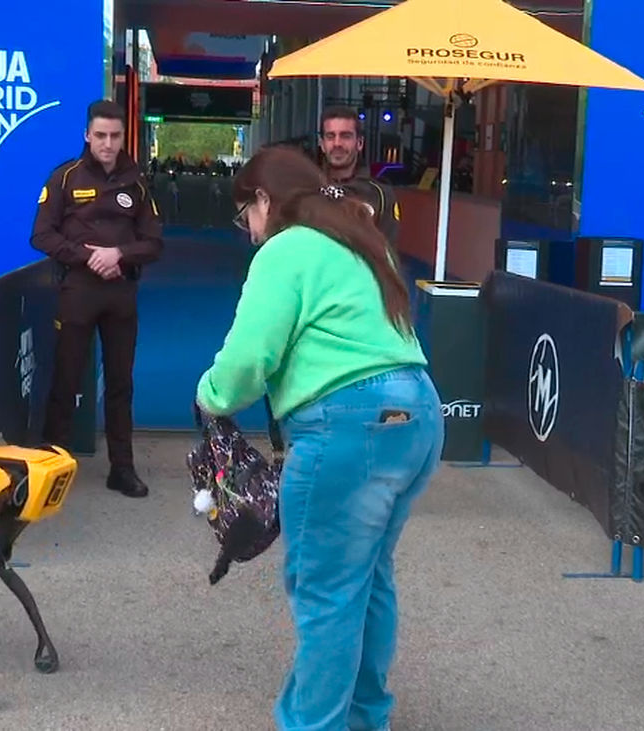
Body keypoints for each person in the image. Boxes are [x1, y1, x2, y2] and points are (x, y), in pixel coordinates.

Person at [194, 145, 444, 731]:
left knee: (326, 589)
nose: (248, 231)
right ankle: (363, 717)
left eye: (245, 214)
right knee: (369, 577)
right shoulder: (362, 238)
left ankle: (314, 724)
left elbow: (247, 361)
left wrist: (209, 395)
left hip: (347, 424)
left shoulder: (286, 249)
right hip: (419, 417)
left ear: (264, 200)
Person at [31, 99, 162, 498]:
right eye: (100, 135)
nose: (107, 143)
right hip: (79, 291)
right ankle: (53, 467)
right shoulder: (65, 178)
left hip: (121, 292)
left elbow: (154, 242)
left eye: (115, 136)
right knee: (67, 378)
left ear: (124, 138)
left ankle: (122, 469)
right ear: (87, 135)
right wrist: (90, 256)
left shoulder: (137, 182)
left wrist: (119, 255)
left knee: (121, 384)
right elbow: (41, 235)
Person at [319, 106, 401, 246]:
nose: (337, 143)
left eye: (346, 136)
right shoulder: (307, 187)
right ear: (322, 144)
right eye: (330, 136)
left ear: (360, 143)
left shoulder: (380, 195)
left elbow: (387, 254)